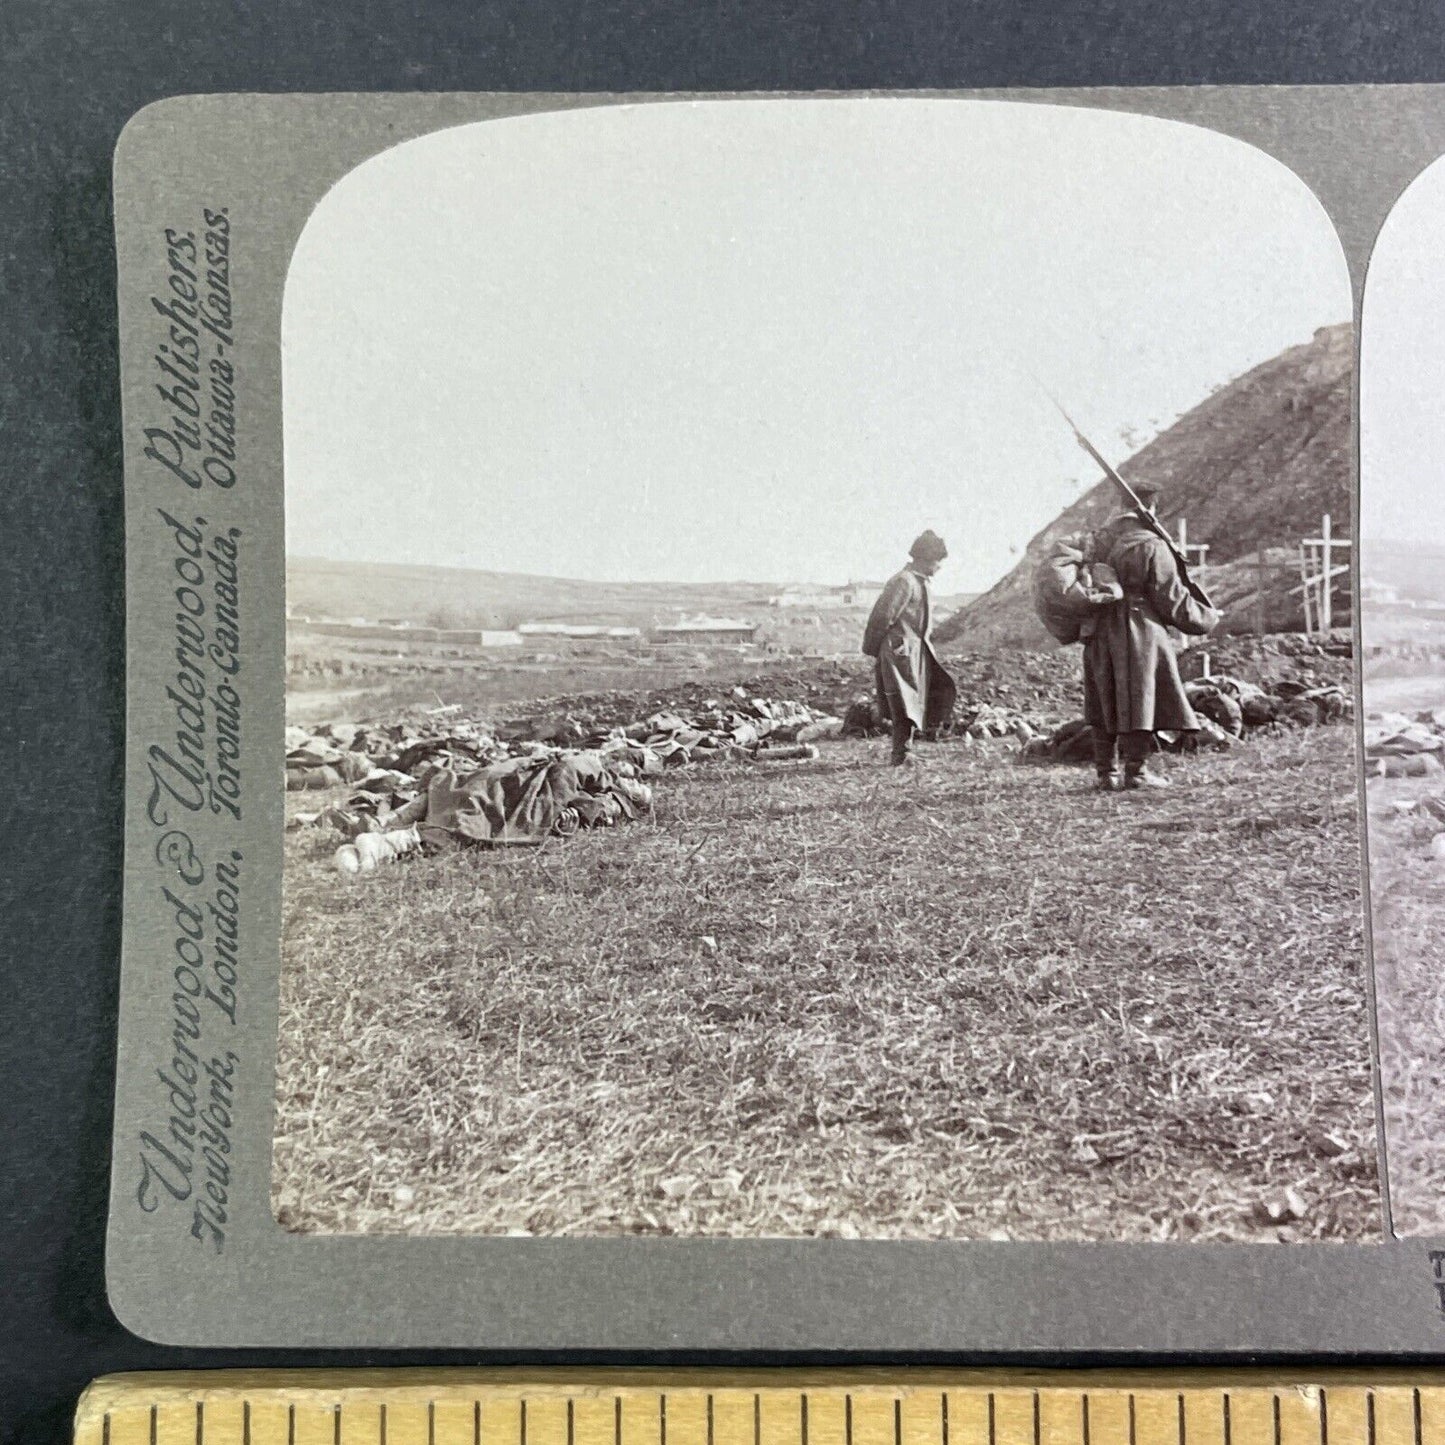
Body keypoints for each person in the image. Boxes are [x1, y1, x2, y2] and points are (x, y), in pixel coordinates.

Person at [1082, 482, 1222, 791]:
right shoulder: (1152, 544)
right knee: (1141, 697)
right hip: (1140, 629)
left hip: (1099, 628)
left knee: (1103, 696)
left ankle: (1106, 773)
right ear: (1152, 507)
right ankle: (1137, 771)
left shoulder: (1096, 541)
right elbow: (1170, 597)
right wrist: (1206, 618)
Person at [862, 530, 958, 766]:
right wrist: (876, 650)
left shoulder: (919, 582)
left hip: (914, 652)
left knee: (916, 701)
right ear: (926, 558)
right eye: (938, 561)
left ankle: (907, 749)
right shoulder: (903, 582)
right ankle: (901, 753)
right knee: (903, 703)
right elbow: (881, 618)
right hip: (900, 652)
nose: (939, 567)